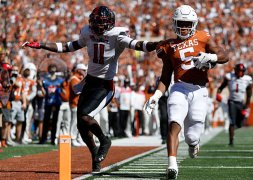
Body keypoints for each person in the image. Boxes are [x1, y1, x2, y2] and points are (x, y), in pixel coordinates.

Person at [23, 5, 159, 173]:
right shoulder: (87, 32)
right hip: (90, 82)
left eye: (102, 23)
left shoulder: (118, 34)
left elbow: (138, 45)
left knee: (86, 117)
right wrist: (42, 45)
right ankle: (95, 155)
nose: (98, 26)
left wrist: (157, 44)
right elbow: (68, 46)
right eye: (96, 22)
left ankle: (104, 140)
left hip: (105, 86)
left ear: (110, 23)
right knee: (81, 125)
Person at [144, 5, 229, 179]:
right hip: (179, 87)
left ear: (194, 24)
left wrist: (211, 57)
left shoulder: (203, 37)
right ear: (175, 24)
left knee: (192, 135)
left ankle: (193, 144)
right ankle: (172, 165)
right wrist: (156, 95)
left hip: (199, 90)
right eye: (180, 23)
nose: (184, 27)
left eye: (187, 23)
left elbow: (224, 55)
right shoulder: (168, 46)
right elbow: (165, 76)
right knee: (174, 123)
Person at [216, 63, 252, 146]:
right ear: (235, 70)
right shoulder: (229, 77)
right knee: (232, 121)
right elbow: (221, 87)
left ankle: (231, 129)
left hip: (241, 103)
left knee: (240, 124)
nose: (240, 73)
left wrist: (247, 104)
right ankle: (231, 141)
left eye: (241, 71)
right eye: (238, 71)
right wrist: (218, 94)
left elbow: (249, 92)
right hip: (231, 102)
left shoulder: (247, 79)